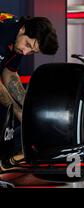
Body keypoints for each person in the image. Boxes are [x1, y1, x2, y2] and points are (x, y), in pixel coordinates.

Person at [0, 13, 58, 187]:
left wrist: (28, 107)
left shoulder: (18, 37)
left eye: (32, 50)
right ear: (23, 30)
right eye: (27, 45)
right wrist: (18, 111)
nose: (26, 52)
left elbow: (9, 74)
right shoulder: (3, 33)